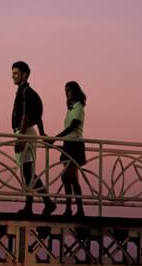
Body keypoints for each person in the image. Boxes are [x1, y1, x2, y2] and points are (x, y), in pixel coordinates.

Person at [11, 61, 57, 216]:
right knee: (28, 172)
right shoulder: (27, 92)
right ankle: (43, 203)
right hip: (27, 132)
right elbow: (38, 115)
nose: (13, 77)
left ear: (24, 74)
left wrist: (20, 138)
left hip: (25, 133)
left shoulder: (25, 92)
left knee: (27, 171)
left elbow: (26, 116)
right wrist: (42, 133)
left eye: (16, 73)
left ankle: (37, 205)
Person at [51, 81, 87, 218]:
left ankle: (77, 209)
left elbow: (72, 127)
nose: (67, 93)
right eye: (65, 90)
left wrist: (56, 138)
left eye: (69, 90)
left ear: (75, 91)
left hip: (75, 145)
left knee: (70, 177)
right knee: (68, 179)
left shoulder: (79, 108)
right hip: (68, 144)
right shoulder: (70, 108)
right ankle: (71, 209)